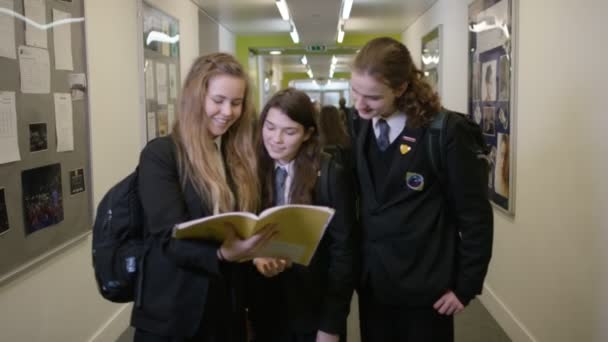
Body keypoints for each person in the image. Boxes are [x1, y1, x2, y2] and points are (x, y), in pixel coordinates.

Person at [350, 37, 493, 341]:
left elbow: (475, 216)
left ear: (401, 89)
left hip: (426, 289)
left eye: (372, 97)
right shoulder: (361, 124)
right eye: (354, 92)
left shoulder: (445, 132)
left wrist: (466, 286)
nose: (359, 104)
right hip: (374, 285)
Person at [132, 53, 276, 342]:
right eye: (218, 100)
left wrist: (256, 252)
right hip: (174, 313)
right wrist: (222, 254)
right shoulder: (162, 155)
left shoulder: (236, 155)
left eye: (236, 103)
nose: (227, 112)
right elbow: (168, 236)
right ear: (196, 97)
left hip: (225, 311)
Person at [247, 88, 357, 342]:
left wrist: (331, 325)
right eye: (270, 127)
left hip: (312, 307)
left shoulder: (330, 173)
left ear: (308, 134)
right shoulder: (249, 168)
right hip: (262, 305)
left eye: (289, 132)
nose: (276, 139)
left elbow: (344, 253)